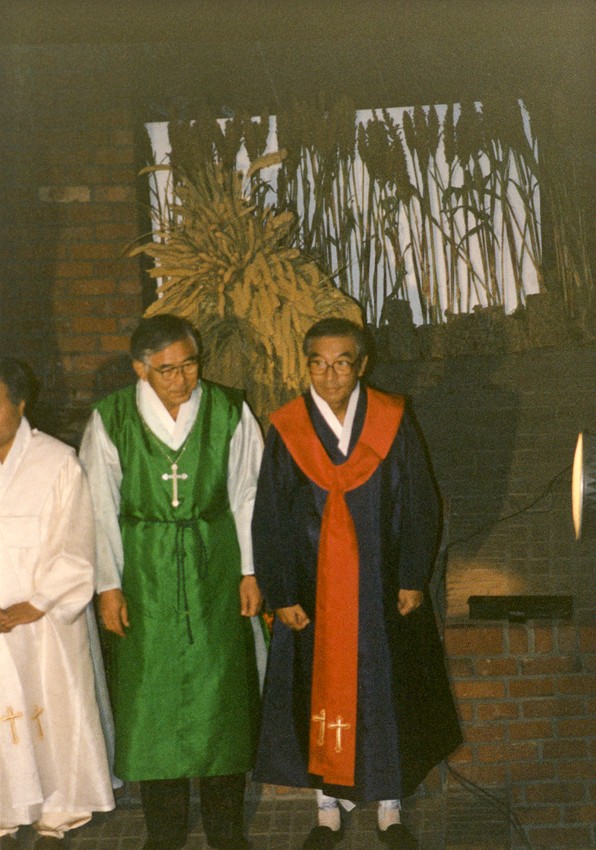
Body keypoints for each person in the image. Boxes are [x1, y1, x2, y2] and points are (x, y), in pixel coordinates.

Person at [251, 318, 462, 850]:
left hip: (382, 584)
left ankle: (390, 804)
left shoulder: (391, 419)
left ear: (361, 365)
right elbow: (270, 515)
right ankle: (327, 805)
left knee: (386, 688)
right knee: (317, 690)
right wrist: (282, 592)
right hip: (314, 590)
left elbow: (420, 500)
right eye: (318, 364)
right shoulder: (289, 427)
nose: (329, 375)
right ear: (306, 366)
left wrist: (413, 576)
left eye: (341, 363)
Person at [79, 314, 263, 850]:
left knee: (221, 701)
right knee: (152, 703)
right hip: (145, 572)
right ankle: (164, 833)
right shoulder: (112, 418)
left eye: (189, 365)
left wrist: (250, 571)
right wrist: (108, 586)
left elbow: (248, 494)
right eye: (167, 370)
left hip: (215, 566)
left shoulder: (229, 410)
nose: (182, 379)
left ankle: (227, 832)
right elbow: (99, 506)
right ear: (140, 369)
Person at [0, 358, 115, 849]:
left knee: (53, 709)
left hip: (42, 620)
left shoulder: (56, 461)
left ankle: (57, 811)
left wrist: (37, 603)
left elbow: (76, 541)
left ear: (20, 403)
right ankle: (7, 811)